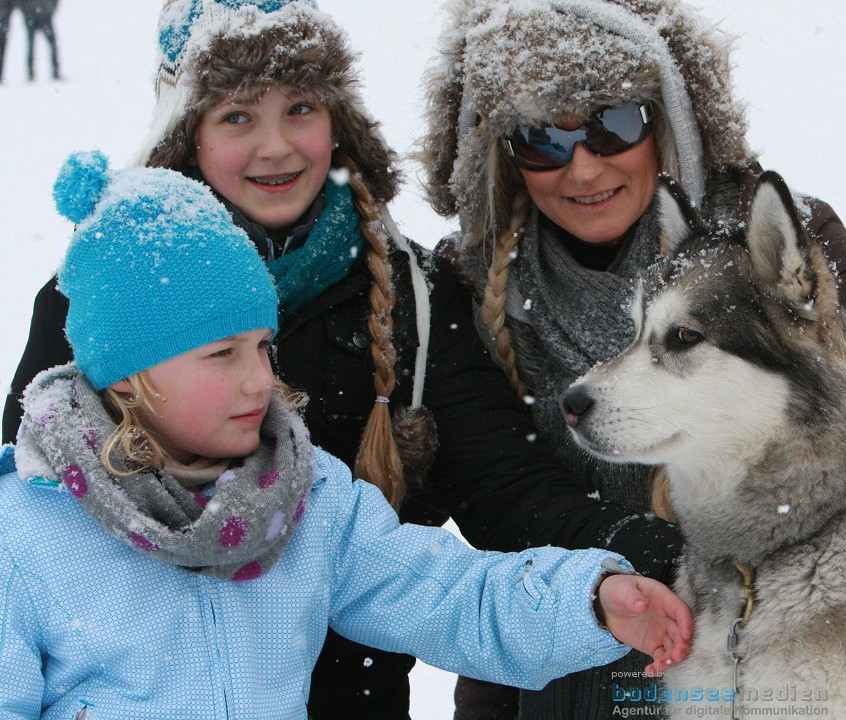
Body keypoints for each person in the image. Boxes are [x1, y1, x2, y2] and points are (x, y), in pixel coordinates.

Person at [0, 1, 688, 718]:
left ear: (339, 123)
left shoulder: (402, 313)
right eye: (237, 116)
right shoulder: (99, 304)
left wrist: (618, 564)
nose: (277, 147)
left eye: (301, 107)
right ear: (189, 135)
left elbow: (491, 510)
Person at [417, 0, 846, 716]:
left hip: (774, 668)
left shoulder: (776, 240)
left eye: (613, 124)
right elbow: (497, 491)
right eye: (542, 139)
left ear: (670, 114)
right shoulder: (466, 281)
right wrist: (654, 562)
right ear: (500, 150)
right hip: (554, 671)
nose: (583, 166)